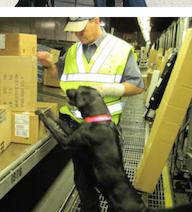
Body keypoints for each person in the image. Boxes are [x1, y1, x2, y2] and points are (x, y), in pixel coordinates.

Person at [37, 16, 144, 212]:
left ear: (96, 21)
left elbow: (137, 86)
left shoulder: (120, 49)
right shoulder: (73, 51)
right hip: (79, 127)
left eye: (81, 28)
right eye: (75, 30)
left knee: (110, 186)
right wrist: (48, 65)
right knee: (82, 181)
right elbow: (58, 74)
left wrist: (105, 89)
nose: (78, 34)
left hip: (105, 132)